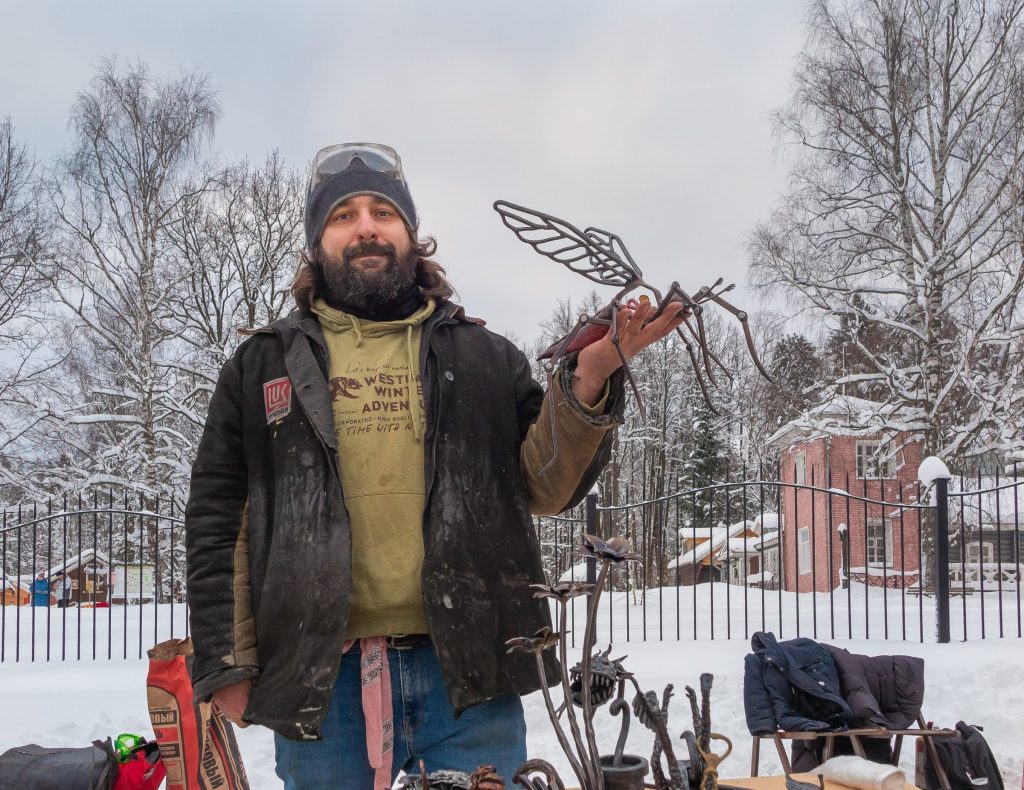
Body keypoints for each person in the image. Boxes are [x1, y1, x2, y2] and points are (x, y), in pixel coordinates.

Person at [185, 142, 686, 789]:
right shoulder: (263, 366)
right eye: (343, 215)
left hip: (468, 671)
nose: (365, 225)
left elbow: (543, 482)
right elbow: (219, 516)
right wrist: (227, 661)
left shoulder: (483, 356)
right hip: (317, 675)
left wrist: (587, 379)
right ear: (317, 241)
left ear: (409, 232)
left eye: (381, 212)